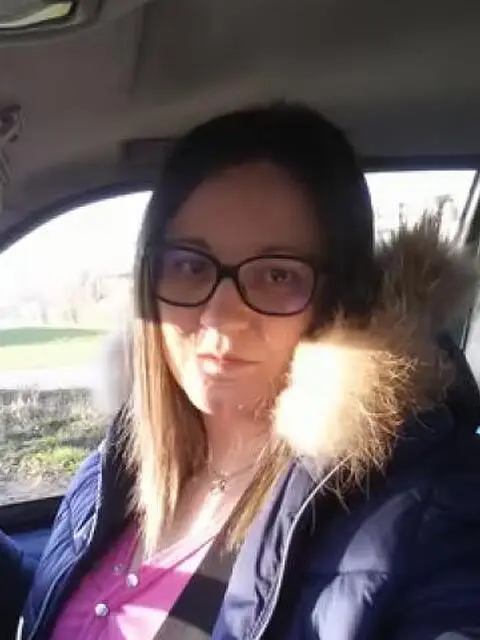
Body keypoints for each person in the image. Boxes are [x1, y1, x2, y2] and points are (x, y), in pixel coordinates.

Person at [4, 103, 480, 639]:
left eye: (276, 275)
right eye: (189, 265)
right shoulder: (116, 465)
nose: (219, 316)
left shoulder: (424, 517)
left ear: (342, 299)